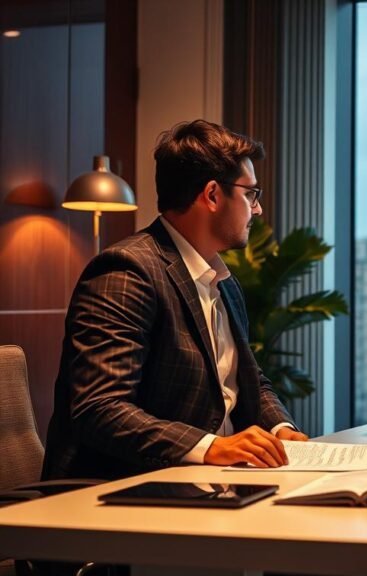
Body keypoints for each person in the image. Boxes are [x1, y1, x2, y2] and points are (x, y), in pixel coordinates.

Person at [43, 120, 309, 481]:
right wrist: (211, 447)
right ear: (213, 195)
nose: (258, 210)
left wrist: (281, 431)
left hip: (211, 484)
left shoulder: (224, 282)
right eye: (251, 194)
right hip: (120, 492)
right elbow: (100, 408)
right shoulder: (126, 271)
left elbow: (251, 380)